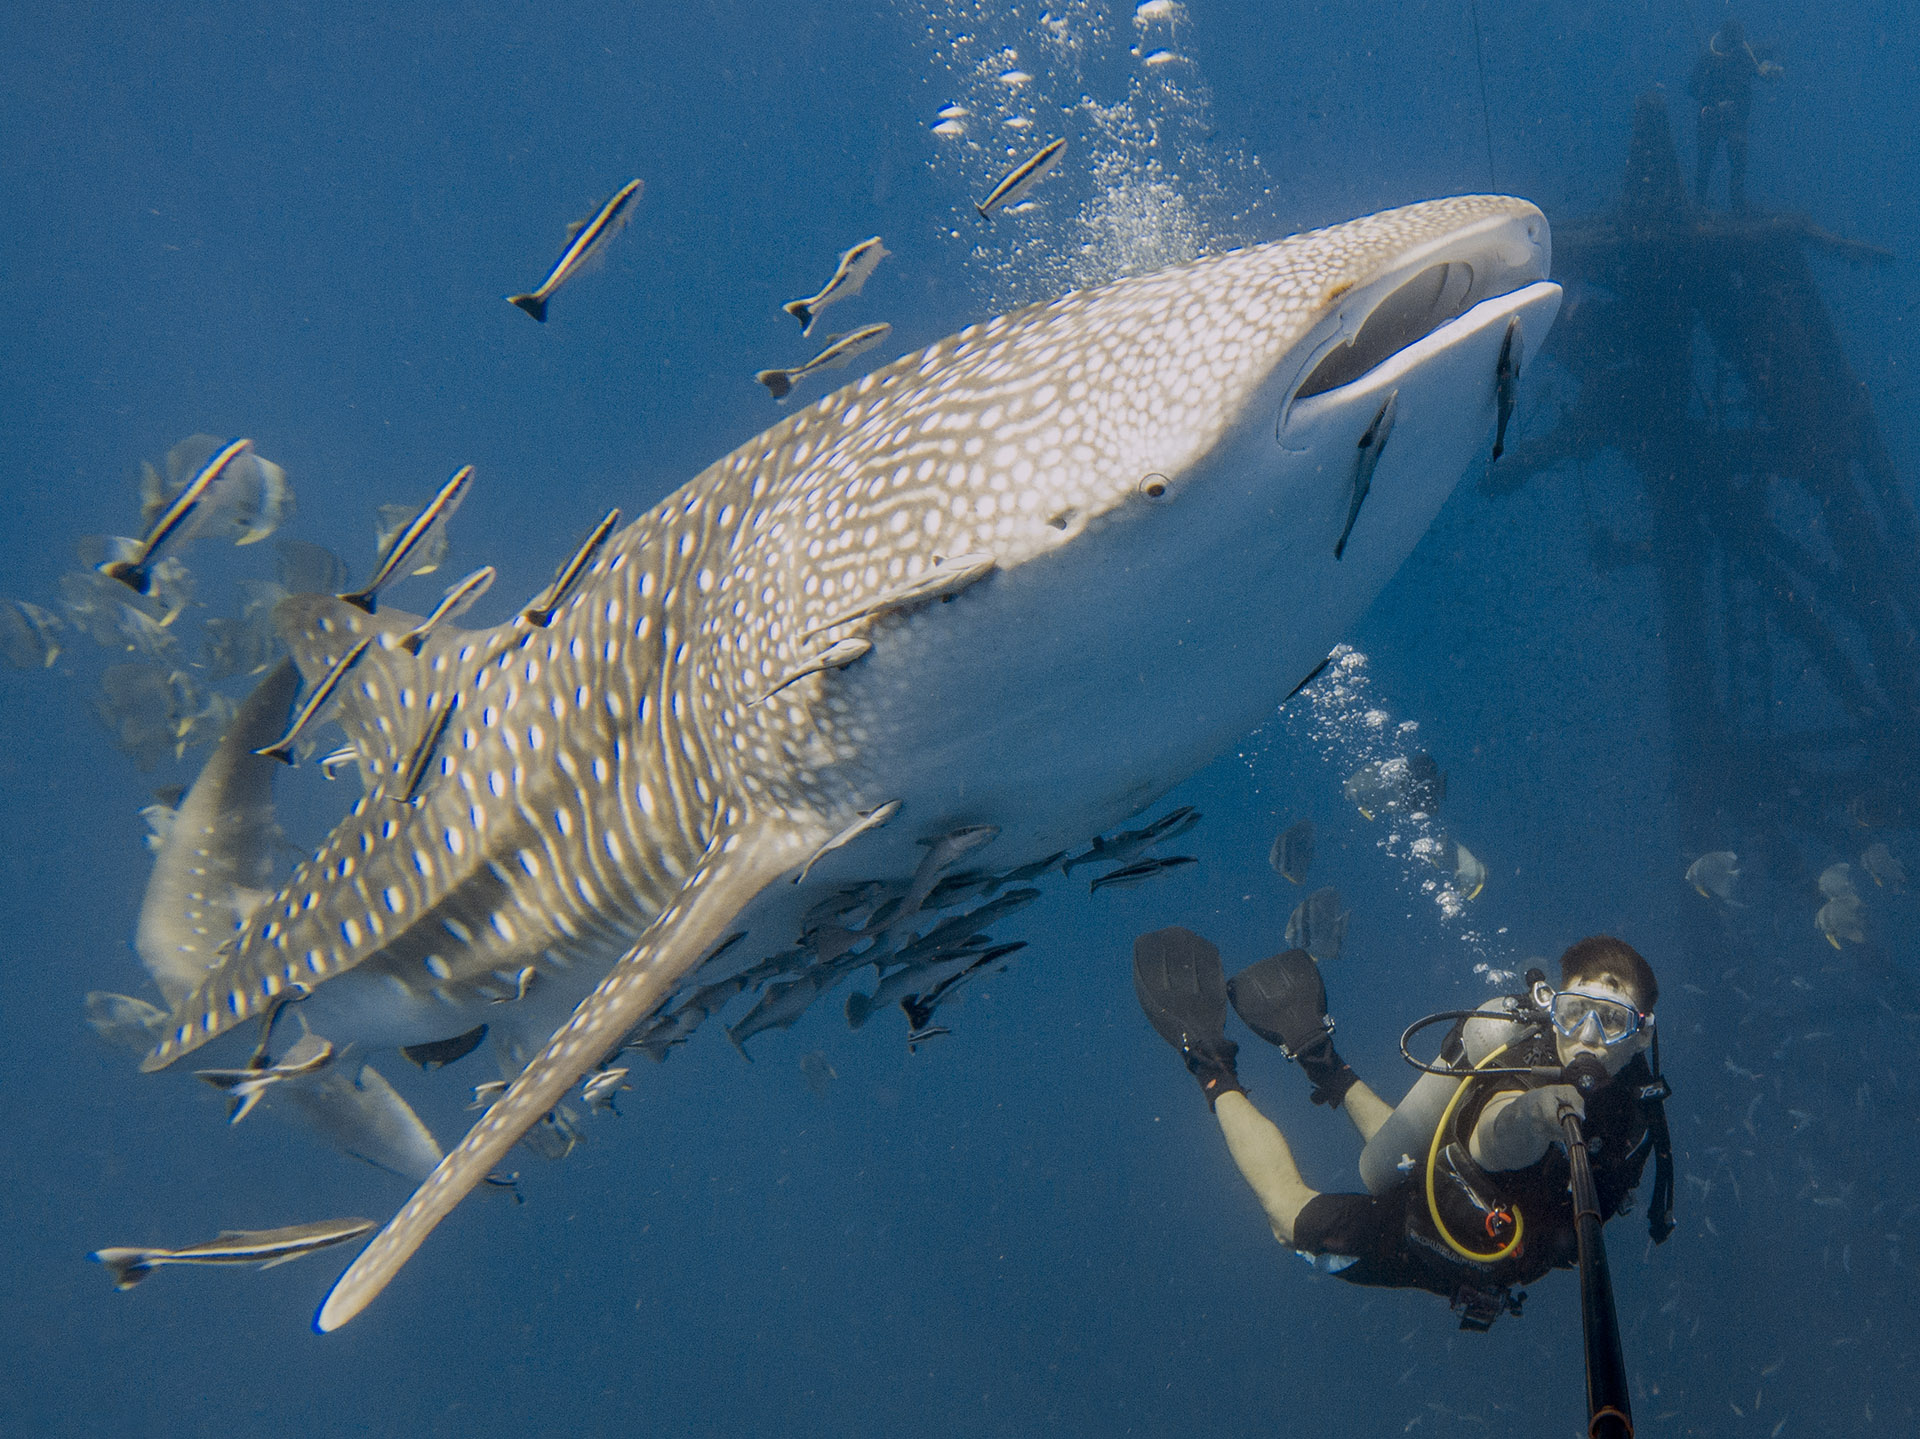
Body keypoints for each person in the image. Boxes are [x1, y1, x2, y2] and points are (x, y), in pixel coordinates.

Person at [1134, 929, 1674, 1329]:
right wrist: (1535, 1115)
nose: (1587, 1036)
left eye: (1612, 1020)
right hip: (1427, 1231)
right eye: (1575, 1011)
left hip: (1477, 1227)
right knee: (1288, 1217)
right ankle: (1211, 1064)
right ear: (1554, 1008)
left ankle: (1324, 1063)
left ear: (1643, 1035)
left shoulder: (1637, 1100)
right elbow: (1494, 1134)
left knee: (1398, 1158)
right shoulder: (1527, 1068)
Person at [1689, 19, 1783, 211]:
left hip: (1735, 120)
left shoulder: (1745, 56)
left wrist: (1774, 67)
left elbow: (1763, 65)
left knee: (1736, 160)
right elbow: (1692, 87)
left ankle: (1735, 203)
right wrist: (1713, 105)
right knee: (1707, 160)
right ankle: (1702, 204)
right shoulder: (1711, 59)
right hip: (1712, 118)